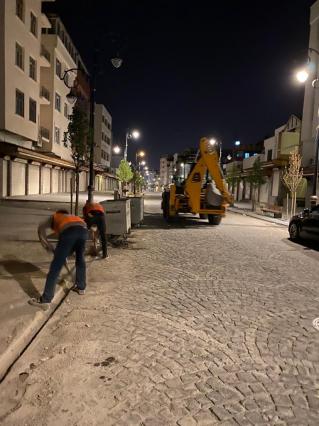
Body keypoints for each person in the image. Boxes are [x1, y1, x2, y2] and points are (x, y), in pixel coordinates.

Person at [29, 209, 88, 310]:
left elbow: (41, 228)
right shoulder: (72, 217)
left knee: (55, 267)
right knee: (80, 259)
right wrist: (64, 253)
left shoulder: (55, 216)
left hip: (70, 233)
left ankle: (46, 300)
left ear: (58, 213)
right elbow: (69, 242)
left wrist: (47, 245)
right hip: (83, 231)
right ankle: (81, 287)